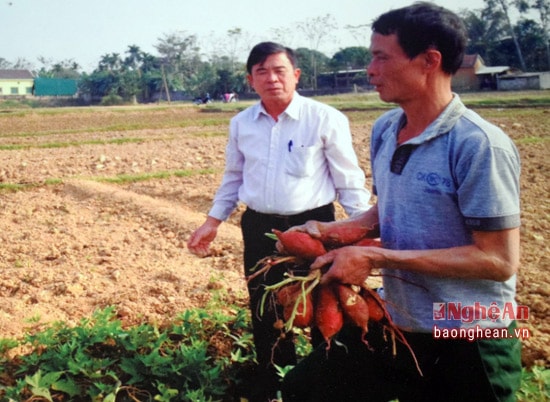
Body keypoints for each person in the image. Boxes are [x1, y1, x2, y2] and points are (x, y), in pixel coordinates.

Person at [281, 3, 522, 401]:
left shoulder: (478, 144)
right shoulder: (387, 128)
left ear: (429, 60)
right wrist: (329, 231)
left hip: (469, 329)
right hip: (403, 321)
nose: (369, 70)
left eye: (381, 57)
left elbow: (498, 261)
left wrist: (377, 259)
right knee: (305, 388)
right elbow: (388, 209)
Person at [187, 41, 371, 401]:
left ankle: (327, 383)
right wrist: (211, 222)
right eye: (262, 72)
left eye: (279, 70)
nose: (271, 78)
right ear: (250, 80)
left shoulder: (325, 119)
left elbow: (349, 181)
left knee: (326, 305)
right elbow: (233, 177)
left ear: (296, 75)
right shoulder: (242, 123)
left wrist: (364, 229)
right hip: (260, 227)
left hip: (316, 227)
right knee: (265, 306)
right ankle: (274, 383)